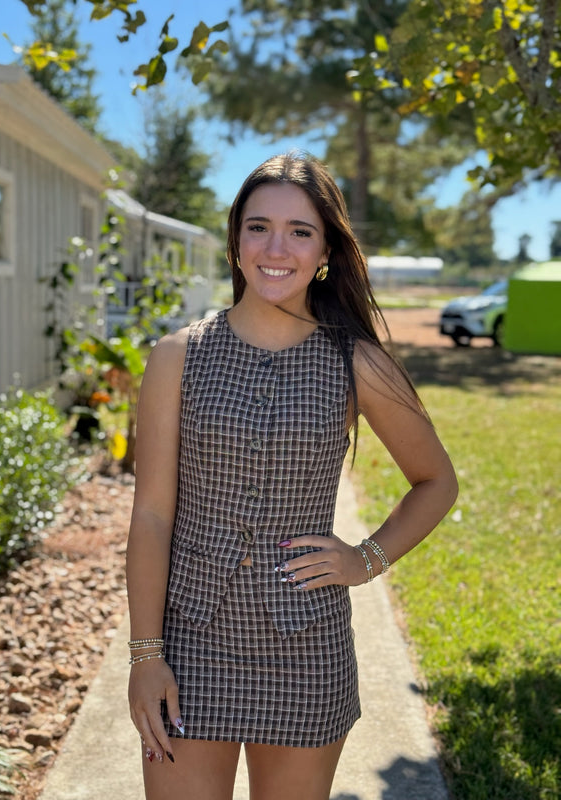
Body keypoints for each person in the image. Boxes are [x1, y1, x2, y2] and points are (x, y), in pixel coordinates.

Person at [126, 152, 458, 800]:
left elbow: (436, 481)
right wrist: (145, 655)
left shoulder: (356, 361)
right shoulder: (176, 356)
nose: (276, 249)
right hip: (189, 644)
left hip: (307, 648)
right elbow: (153, 516)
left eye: (300, 231)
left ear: (326, 250)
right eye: (259, 227)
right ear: (235, 240)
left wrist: (366, 559)